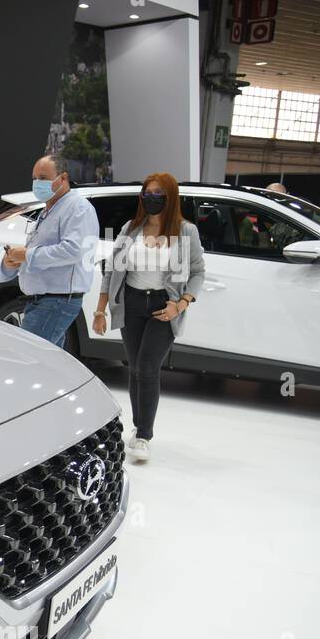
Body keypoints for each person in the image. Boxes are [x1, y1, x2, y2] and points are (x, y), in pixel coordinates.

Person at [92, 172, 205, 463]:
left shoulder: (185, 231)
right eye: (147, 193)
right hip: (130, 303)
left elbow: (198, 272)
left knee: (147, 367)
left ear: (170, 198)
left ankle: (143, 434)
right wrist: (100, 309)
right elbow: (112, 271)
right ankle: (138, 428)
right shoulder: (131, 228)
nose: (151, 198)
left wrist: (180, 304)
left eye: (158, 194)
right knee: (134, 368)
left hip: (163, 305)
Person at [0, 154, 100, 348]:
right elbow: (41, 252)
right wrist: (13, 261)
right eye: (34, 178)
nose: (37, 183)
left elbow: (73, 250)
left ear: (63, 178)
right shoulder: (48, 210)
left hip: (55, 302)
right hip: (43, 301)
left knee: (28, 357)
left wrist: (27, 255)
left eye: (43, 178)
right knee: (49, 366)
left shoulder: (78, 208)